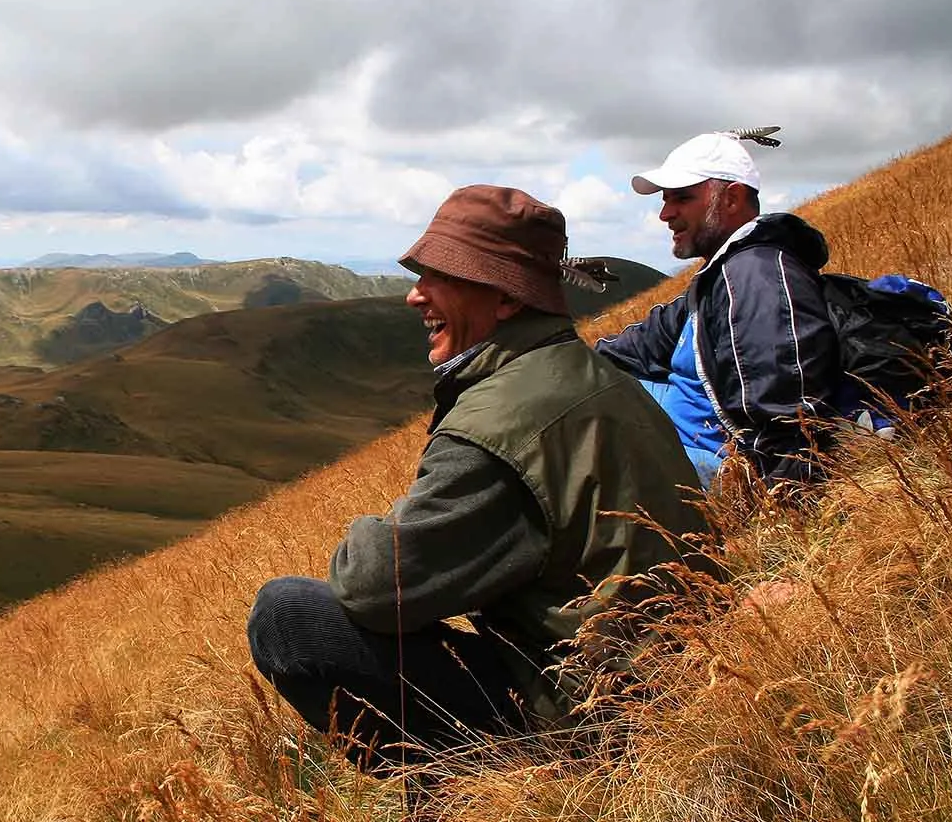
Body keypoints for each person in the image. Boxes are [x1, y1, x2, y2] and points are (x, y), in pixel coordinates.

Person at [247, 185, 709, 777]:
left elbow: (373, 585)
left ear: (508, 298)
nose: (415, 294)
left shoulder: (503, 422)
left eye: (442, 276)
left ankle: (459, 790)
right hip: (678, 684)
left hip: (594, 726)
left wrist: (371, 528)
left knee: (287, 615)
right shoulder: (597, 379)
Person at [595, 132, 839, 485]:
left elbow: (788, 431)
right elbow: (640, 344)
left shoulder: (754, 279)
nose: (665, 214)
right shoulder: (721, 276)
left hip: (702, 467)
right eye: (665, 200)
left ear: (732, 199)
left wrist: (768, 510)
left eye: (682, 198)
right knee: (579, 393)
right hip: (679, 439)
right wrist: (568, 368)